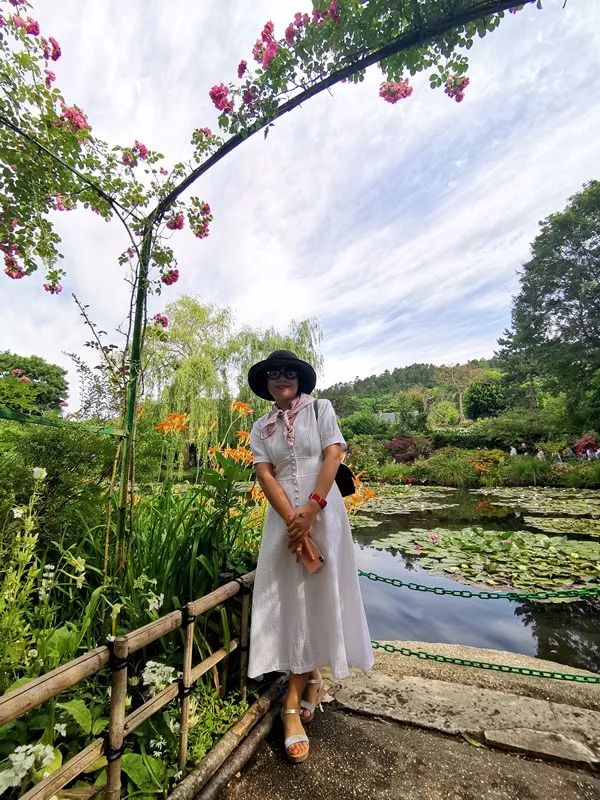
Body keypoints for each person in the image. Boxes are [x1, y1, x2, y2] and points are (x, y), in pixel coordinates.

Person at [246, 350, 373, 764]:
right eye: (273, 374)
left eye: (288, 373)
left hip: (324, 514)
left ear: (299, 379)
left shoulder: (321, 410)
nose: (281, 379)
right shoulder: (260, 427)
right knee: (287, 597)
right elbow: (265, 473)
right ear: (266, 383)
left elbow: (333, 456)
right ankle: (313, 678)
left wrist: (313, 510)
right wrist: (291, 520)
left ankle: (291, 704)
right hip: (283, 521)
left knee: (318, 595)